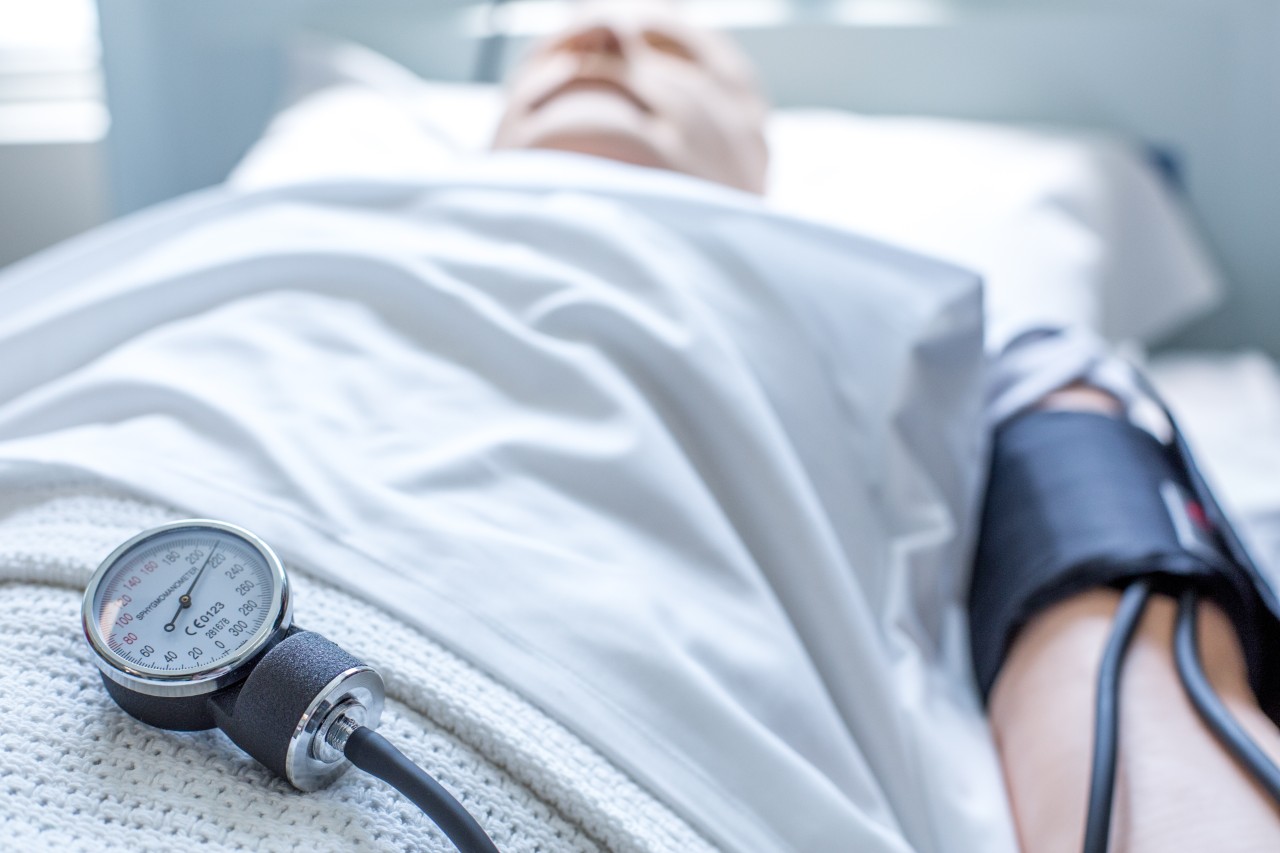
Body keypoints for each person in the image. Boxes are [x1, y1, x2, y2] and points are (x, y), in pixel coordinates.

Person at [0, 1, 1277, 851]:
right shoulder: (231, 243)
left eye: (682, 54)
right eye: (552, 47)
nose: (603, 31)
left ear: (757, 163)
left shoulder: (923, 351)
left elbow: (1131, 727)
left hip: (593, 764)